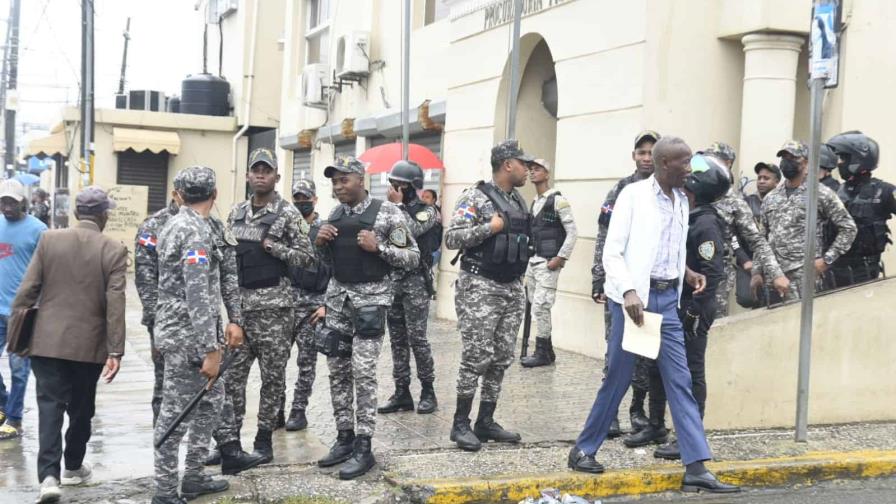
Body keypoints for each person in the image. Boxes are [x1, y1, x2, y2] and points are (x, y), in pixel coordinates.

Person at [569, 136, 739, 494]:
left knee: (681, 381)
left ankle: (695, 466)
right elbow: (612, 253)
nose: (690, 168)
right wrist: (629, 291)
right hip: (636, 304)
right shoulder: (632, 196)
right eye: (684, 163)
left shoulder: (680, 199)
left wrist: (687, 273)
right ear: (664, 165)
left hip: (666, 299)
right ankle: (583, 449)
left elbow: (668, 249)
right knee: (618, 377)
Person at [12, 186, 126, 503]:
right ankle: (73, 466)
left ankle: (49, 476)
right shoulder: (113, 249)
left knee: (50, 407)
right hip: (88, 348)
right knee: (81, 409)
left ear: (77, 213)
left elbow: (27, 291)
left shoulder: (49, 240)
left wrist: (16, 331)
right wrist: (115, 350)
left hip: (46, 343)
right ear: (103, 215)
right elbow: (115, 303)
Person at [136, 195, 263, 474]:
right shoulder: (157, 225)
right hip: (174, 330)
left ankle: (224, 453)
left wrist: (234, 319)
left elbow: (229, 276)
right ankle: (166, 475)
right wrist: (157, 325)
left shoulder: (215, 227)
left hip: (204, 327)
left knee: (215, 394)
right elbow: (145, 278)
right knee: (171, 400)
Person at [313, 156, 419, 479]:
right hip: (338, 302)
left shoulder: (388, 213)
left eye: (344, 179)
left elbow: (413, 258)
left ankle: (364, 445)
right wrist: (319, 244)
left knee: (363, 372)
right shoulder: (335, 214)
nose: (338, 186)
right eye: (334, 181)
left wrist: (380, 249)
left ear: (360, 179)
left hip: (371, 304)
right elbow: (327, 263)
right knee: (338, 370)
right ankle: (344, 437)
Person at [218, 148, 315, 464]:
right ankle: (229, 444)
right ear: (247, 175)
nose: (260, 174)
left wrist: (274, 248)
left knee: (272, 379)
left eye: (267, 170)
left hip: (276, 310)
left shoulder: (288, 215)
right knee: (232, 380)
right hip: (241, 312)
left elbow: (307, 259)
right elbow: (228, 259)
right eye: (255, 169)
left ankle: (264, 441)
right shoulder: (235, 214)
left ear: (276, 176)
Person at [445, 139, 532, 452]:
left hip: (511, 287)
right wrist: (489, 228)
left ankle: (486, 421)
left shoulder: (519, 200)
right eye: (523, 163)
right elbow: (452, 238)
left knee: (501, 358)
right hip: (480, 288)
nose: (528, 169)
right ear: (508, 164)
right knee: (476, 357)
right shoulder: (475, 197)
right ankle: (460, 424)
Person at [151, 167, 231, 503]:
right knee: (176, 415)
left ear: (179, 195)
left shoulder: (173, 223)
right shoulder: (193, 231)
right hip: (189, 339)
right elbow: (197, 294)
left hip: (182, 333)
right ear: (214, 195)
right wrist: (210, 350)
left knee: (211, 403)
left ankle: (194, 476)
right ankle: (166, 491)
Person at [650, 154, 731, 461]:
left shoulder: (706, 223)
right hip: (678, 303)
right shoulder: (691, 215)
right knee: (665, 369)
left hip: (693, 307)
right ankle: (662, 427)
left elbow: (712, 272)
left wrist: (695, 311)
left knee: (691, 372)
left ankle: (689, 438)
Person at [592, 130, 660, 439]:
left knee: (645, 352)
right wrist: (598, 276)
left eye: (651, 152)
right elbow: (604, 237)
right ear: (633, 155)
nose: (646, 157)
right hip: (620, 285)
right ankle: (612, 413)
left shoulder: (665, 190)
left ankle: (637, 409)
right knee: (615, 349)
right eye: (641, 152)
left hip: (652, 286)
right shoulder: (620, 190)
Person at [756, 141, 856, 302]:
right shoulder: (771, 198)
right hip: (773, 278)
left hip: (803, 276)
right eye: (784, 157)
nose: (787, 162)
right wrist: (757, 271)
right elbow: (761, 239)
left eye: (792, 158)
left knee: (803, 325)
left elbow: (849, 228)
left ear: (807, 162)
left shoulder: (820, 194)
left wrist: (826, 260)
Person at [379, 161, 440, 415]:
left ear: (412, 186)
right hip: (393, 280)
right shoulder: (390, 208)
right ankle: (402, 391)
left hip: (416, 281)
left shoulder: (428, 211)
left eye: (400, 185)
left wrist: (397, 207)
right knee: (397, 340)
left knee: (418, 339)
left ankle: (428, 390)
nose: (394, 188)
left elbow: (412, 231)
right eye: (392, 184)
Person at [703, 142, 787, 318]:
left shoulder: (736, 203)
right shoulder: (689, 194)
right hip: (686, 273)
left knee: (713, 323)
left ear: (727, 164)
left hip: (717, 273)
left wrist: (776, 274)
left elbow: (757, 240)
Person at [0, 179, 46, 441]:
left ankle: (14, 418)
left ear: (23, 203)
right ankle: (4, 404)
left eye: (12, 202)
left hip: (21, 312)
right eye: (3, 201)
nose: (6, 207)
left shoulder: (38, 230)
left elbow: (46, 269)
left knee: (19, 368)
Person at [283, 179, 331, 431]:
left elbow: (336, 271)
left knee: (306, 362)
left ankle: (298, 410)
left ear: (315, 199)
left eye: (306, 198)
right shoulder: (288, 228)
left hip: (313, 305)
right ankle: (275, 410)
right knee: (276, 361)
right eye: (297, 198)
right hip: (286, 303)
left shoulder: (326, 230)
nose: (301, 202)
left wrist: (327, 306)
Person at [520, 158, 578, 367]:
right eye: (531, 170)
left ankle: (541, 352)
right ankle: (548, 351)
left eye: (537, 169)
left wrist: (560, 258)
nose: (533, 173)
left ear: (547, 174)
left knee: (541, 306)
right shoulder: (535, 202)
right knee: (537, 305)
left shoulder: (557, 200)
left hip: (548, 262)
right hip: (534, 262)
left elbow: (572, 232)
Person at [826, 131, 896, 287]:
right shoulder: (835, 191)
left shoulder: (884, 191)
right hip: (832, 270)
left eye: (843, 158)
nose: (839, 163)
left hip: (865, 272)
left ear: (858, 158)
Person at [421, 189, 443, 271]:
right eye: (422, 197)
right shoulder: (433, 209)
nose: (423, 199)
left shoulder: (431, 212)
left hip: (431, 252)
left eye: (427, 197)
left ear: (433, 200)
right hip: (431, 251)